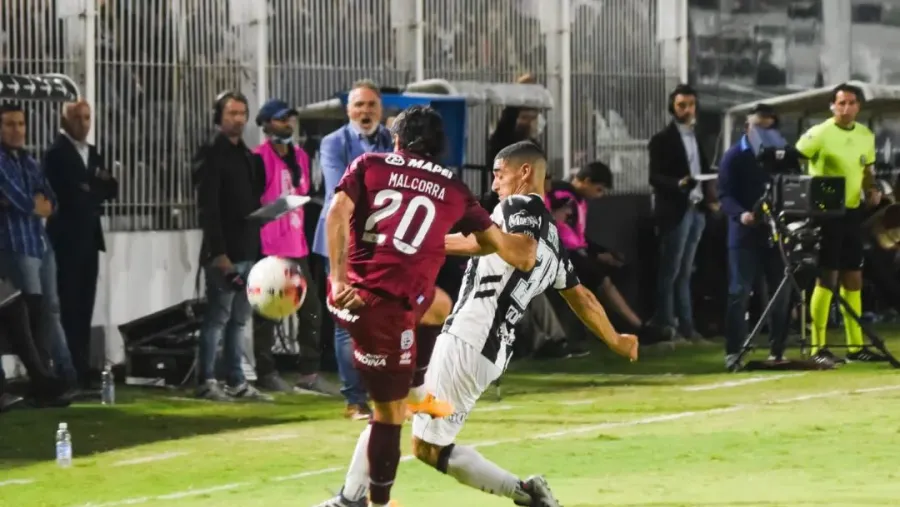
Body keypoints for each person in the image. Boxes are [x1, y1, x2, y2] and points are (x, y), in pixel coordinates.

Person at [320, 141, 639, 507]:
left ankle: (351, 499)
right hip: (487, 351)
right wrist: (616, 339)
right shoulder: (552, 235)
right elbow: (581, 296)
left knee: (392, 408)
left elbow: (507, 248)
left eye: (499, 174)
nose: (495, 184)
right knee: (426, 445)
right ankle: (527, 493)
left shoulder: (520, 206)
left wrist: (415, 243)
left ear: (525, 173)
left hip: (469, 338)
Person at [318, 106, 537, 507]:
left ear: (397, 141)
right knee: (389, 414)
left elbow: (336, 212)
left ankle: (419, 389)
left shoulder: (369, 164)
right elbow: (492, 240)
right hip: (378, 307)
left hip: (358, 295)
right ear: (438, 148)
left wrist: (336, 278)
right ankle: (375, 503)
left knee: (438, 305)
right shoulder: (453, 188)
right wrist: (518, 248)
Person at [313, 79, 392, 419]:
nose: (365, 112)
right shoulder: (333, 143)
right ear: (348, 110)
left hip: (380, 242)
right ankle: (354, 399)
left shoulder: (390, 139)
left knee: (382, 320)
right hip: (341, 241)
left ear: (380, 109)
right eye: (359, 105)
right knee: (347, 320)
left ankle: (381, 394)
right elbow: (338, 194)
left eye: (371, 105)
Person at [251, 98, 339, 395]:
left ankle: (308, 373)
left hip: (296, 245)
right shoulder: (258, 157)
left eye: (289, 119)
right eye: (279, 120)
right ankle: (266, 371)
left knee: (312, 308)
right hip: (269, 245)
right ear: (265, 125)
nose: (287, 124)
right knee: (266, 312)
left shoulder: (300, 156)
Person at [795, 83, 888, 363]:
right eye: (840, 103)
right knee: (827, 277)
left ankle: (855, 346)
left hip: (851, 211)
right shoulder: (820, 133)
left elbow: (866, 170)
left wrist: (871, 189)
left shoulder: (865, 135)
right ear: (832, 106)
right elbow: (795, 159)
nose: (845, 108)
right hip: (825, 212)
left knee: (854, 277)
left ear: (858, 106)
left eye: (850, 103)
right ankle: (818, 347)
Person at [192, 91, 271, 401]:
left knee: (239, 320)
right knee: (217, 319)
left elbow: (252, 203)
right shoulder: (210, 154)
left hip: (248, 249)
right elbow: (207, 210)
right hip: (224, 253)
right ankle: (206, 380)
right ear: (218, 116)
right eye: (231, 113)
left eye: (242, 113)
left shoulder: (249, 158)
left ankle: (235, 381)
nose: (238, 119)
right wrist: (218, 253)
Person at [546, 161, 674, 346]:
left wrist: (601, 252)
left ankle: (624, 328)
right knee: (602, 281)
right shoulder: (564, 195)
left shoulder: (578, 200)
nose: (601, 194)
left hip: (570, 254)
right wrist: (593, 254)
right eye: (599, 189)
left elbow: (578, 237)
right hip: (558, 254)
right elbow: (565, 236)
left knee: (609, 275)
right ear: (587, 181)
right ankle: (637, 328)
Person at [0, 102, 76, 386]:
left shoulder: (30, 161)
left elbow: (51, 200)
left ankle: (65, 374)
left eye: (20, 124)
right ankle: (42, 379)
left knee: (50, 310)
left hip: (40, 244)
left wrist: (32, 204)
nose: (16, 130)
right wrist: (29, 204)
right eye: (9, 124)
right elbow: (21, 198)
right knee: (30, 316)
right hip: (14, 245)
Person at [44, 101, 118, 389]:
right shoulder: (56, 154)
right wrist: (91, 187)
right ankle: (66, 367)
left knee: (85, 304)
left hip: (89, 238)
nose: (84, 124)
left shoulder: (94, 153)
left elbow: (111, 188)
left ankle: (82, 363)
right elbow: (68, 194)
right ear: (64, 121)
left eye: (87, 118)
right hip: (66, 239)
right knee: (68, 303)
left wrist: (89, 187)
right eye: (77, 118)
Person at [717, 104, 792, 370]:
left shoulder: (780, 156)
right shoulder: (733, 156)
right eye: (758, 125)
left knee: (780, 292)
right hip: (744, 236)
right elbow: (723, 195)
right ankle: (734, 352)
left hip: (775, 233)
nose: (762, 131)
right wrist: (742, 215)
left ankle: (778, 349)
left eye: (768, 126)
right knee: (739, 292)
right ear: (747, 127)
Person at [647, 84, 718, 340]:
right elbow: (654, 177)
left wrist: (710, 193)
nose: (688, 110)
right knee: (671, 271)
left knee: (686, 271)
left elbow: (703, 167)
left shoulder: (696, 137)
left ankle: (687, 326)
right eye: (682, 105)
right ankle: (667, 324)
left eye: (691, 105)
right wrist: (678, 184)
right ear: (672, 108)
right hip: (676, 210)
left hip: (696, 208)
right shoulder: (662, 139)